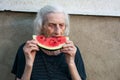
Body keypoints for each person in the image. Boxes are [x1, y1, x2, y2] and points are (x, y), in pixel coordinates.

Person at [11, 5, 87, 80]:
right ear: (41, 26)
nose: (58, 31)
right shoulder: (27, 50)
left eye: (61, 25)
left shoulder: (72, 50)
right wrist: (29, 64)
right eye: (51, 25)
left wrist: (71, 63)